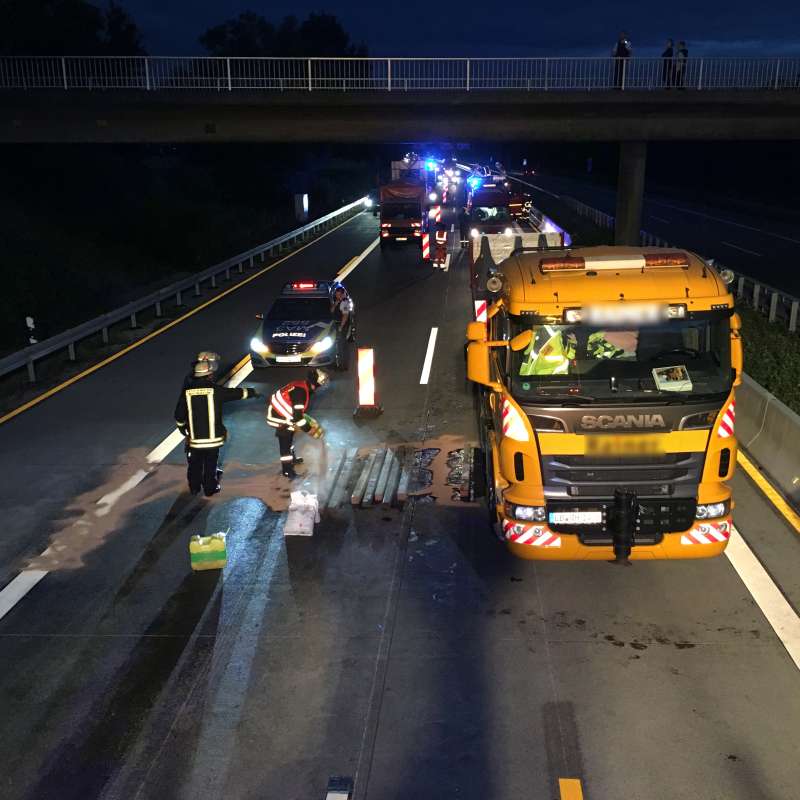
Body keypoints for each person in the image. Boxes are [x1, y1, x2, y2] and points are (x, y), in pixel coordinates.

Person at [174, 360, 259, 497]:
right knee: (210, 464)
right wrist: (252, 392)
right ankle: (210, 488)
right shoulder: (216, 390)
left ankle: (194, 488)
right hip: (213, 440)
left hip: (195, 440)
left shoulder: (187, 392)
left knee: (194, 465)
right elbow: (235, 394)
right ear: (209, 376)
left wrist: (183, 429)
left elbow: (178, 416)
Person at [266, 368, 328, 479]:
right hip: (279, 417)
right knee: (285, 441)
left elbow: (297, 412)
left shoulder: (302, 385)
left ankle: (292, 458)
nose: (317, 389)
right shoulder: (301, 393)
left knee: (290, 435)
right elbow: (298, 418)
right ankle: (287, 471)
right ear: (314, 385)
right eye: (318, 386)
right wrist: (309, 429)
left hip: (282, 413)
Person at [330, 284, 354, 369]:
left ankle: (343, 365)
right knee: (335, 345)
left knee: (342, 346)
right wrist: (335, 303)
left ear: (342, 294)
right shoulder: (337, 301)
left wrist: (341, 326)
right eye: (336, 294)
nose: (337, 296)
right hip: (336, 325)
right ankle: (336, 364)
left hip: (342, 325)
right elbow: (331, 311)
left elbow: (345, 315)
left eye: (339, 294)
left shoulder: (344, 302)